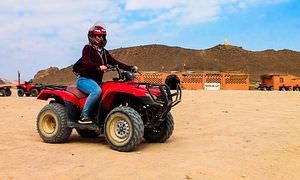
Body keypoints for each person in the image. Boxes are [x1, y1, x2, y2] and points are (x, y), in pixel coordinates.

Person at [77, 21, 137, 124]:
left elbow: (115, 62)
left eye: (102, 36)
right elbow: (86, 62)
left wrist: (130, 68)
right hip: (84, 80)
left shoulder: (104, 52)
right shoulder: (87, 48)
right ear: (92, 36)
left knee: (109, 89)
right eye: (98, 36)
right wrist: (99, 67)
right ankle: (84, 116)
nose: (101, 38)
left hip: (97, 81)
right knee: (96, 91)